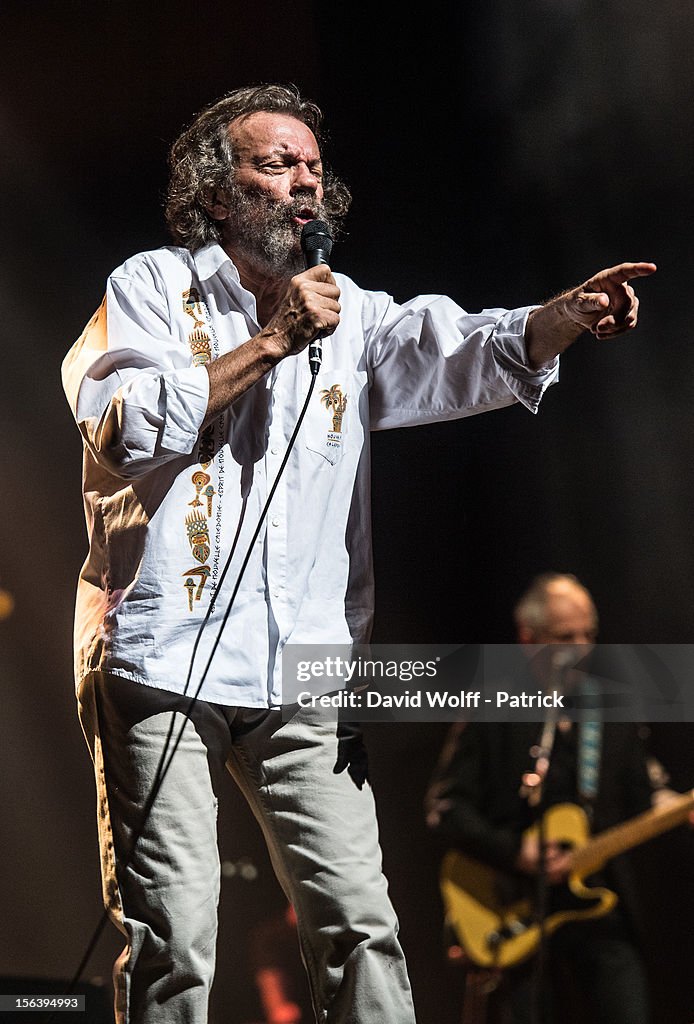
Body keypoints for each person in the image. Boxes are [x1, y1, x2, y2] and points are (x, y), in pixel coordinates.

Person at [61, 83, 655, 1024]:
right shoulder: (150, 288)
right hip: (159, 656)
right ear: (218, 193)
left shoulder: (356, 317)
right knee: (176, 933)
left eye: (312, 165)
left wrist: (561, 318)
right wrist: (272, 340)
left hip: (305, 666)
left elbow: (460, 349)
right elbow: (119, 423)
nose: (305, 182)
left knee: (361, 926)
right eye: (275, 163)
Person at [426, 573, 663, 1024]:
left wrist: (677, 806)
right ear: (528, 640)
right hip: (512, 908)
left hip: (598, 905)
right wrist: (518, 853)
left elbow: (644, 798)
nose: (582, 647)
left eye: (589, 634)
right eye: (565, 637)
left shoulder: (611, 710)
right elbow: (446, 808)